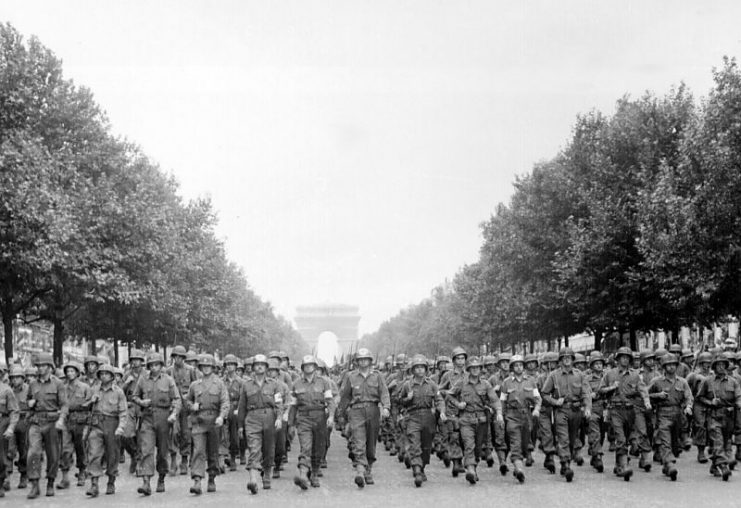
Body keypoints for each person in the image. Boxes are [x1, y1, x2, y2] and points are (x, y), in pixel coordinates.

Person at [338, 348, 390, 488]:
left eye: (365, 359)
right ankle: (360, 471)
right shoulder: (351, 376)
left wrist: (386, 407)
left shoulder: (377, 376)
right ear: (357, 362)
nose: (363, 362)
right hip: (356, 411)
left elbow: (384, 392)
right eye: (360, 359)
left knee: (371, 444)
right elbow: (345, 396)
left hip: (373, 410)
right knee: (358, 441)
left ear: (370, 361)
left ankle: (368, 469)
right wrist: (341, 414)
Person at [447, 356, 502, 485]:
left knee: (477, 448)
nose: (475, 370)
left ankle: (473, 467)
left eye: (477, 367)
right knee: (468, 444)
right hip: (466, 420)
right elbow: (449, 395)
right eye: (473, 368)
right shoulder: (461, 383)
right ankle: (470, 469)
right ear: (469, 369)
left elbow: (494, 400)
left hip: (481, 421)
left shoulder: (486, 384)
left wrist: (499, 412)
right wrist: (458, 404)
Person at [132, 352, 181, 495]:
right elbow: (134, 396)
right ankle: (146, 482)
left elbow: (177, 399)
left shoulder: (168, 380)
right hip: (147, 417)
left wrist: (173, 414)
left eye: (157, 365)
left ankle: (161, 478)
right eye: (151, 365)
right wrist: (141, 402)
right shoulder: (143, 379)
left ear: (161, 366)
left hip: (164, 418)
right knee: (146, 449)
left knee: (162, 452)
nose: (154, 368)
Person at [599, 347, 651, 481]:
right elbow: (601, 390)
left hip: (630, 410)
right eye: (622, 357)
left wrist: (646, 401)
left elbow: (642, 389)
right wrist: (612, 387)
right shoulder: (610, 374)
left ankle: (618, 463)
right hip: (615, 410)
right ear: (617, 359)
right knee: (620, 438)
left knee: (627, 438)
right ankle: (624, 465)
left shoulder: (635, 375)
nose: (625, 359)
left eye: (627, 358)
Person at [540, 347, 592, 482]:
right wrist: (555, 401)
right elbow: (544, 393)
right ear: (560, 360)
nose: (567, 359)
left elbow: (586, 393)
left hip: (576, 411)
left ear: (573, 359)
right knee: (563, 438)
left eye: (569, 357)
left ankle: (565, 460)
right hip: (561, 410)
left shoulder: (580, 375)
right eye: (564, 357)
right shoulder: (554, 376)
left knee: (572, 438)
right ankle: (566, 464)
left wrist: (587, 408)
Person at [287, 355, 336, 489]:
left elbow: (330, 401)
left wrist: (331, 416)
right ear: (302, 368)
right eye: (306, 365)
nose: (309, 367)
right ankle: (303, 474)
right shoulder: (296, 383)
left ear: (315, 367)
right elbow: (293, 405)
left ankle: (313, 473)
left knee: (318, 448)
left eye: (311, 365)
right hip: (303, 418)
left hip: (320, 418)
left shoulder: (324, 382)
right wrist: (290, 424)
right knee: (306, 447)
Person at [237, 354, 283, 494]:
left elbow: (279, 404)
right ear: (253, 368)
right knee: (253, 448)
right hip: (252, 418)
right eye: (257, 364)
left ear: (267, 368)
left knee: (269, 449)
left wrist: (279, 418)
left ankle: (267, 474)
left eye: (262, 364)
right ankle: (253, 479)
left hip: (269, 416)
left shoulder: (275, 384)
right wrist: (240, 425)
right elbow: (241, 406)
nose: (259, 366)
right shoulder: (246, 385)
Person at [397, 354, 445, 487]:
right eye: (416, 367)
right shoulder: (407, 385)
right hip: (413, 417)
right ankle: (417, 469)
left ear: (426, 369)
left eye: (422, 367)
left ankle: (422, 466)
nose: (419, 370)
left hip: (428, 417)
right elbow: (400, 402)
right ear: (413, 370)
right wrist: (408, 398)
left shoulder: (432, 384)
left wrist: (441, 411)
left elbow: (439, 399)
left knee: (426, 446)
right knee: (414, 444)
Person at [185, 354, 229, 495]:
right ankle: (197, 480)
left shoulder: (219, 384)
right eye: (203, 366)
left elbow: (225, 402)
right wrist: (193, 407)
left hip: (214, 422)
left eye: (208, 366)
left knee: (213, 452)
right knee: (198, 450)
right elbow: (187, 402)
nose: (206, 368)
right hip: (199, 422)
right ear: (200, 368)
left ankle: (211, 477)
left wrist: (222, 416)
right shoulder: (195, 385)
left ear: (213, 368)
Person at [26, 352, 68, 499]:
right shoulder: (32, 384)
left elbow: (64, 405)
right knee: (33, 453)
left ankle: (50, 482)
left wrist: (61, 420)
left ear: (50, 367)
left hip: (52, 422)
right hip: (36, 422)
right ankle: (35, 485)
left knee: (53, 454)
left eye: (44, 365)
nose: (40, 368)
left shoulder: (58, 384)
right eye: (38, 366)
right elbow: (28, 402)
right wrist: (30, 404)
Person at [695, 352, 741, 481]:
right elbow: (699, 398)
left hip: (729, 416)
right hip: (714, 416)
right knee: (717, 441)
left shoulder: (733, 382)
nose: (721, 367)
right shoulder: (707, 381)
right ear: (714, 367)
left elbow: (738, 396)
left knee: (726, 442)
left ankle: (715, 465)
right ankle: (723, 465)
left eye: (723, 365)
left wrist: (738, 404)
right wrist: (710, 402)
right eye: (718, 365)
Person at [647, 353, 693, 481]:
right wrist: (657, 395)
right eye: (668, 365)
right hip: (663, 413)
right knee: (665, 440)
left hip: (678, 414)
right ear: (663, 367)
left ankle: (667, 464)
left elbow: (689, 396)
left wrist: (688, 406)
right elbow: (645, 394)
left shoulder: (682, 382)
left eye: (673, 365)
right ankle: (669, 463)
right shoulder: (656, 382)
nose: (671, 367)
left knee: (674, 444)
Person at [85, 364, 127, 497]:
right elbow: (84, 406)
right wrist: (91, 401)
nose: (103, 376)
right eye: (101, 374)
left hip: (112, 424)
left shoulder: (118, 391)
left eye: (106, 374)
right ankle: (94, 484)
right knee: (94, 453)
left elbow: (123, 411)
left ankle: (111, 481)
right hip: (97, 423)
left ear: (112, 376)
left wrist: (121, 427)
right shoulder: (94, 389)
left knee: (112, 454)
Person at [499, 354, 541, 483]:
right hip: (512, 416)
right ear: (512, 367)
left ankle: (518, 463)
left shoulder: (531, 381)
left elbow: (538, 399)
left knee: (524, 444)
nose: (519, 367)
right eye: (516, 365)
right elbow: (502, 402)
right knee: (515, 442)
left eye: (520, 365)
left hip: (526, 416)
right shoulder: (506, 383)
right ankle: (519, 469)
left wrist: (536, 409)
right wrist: (500, 416)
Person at [59, 361, 92, 489]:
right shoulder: (62, 387)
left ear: (77, 373)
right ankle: (65, 477)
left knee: (81, 448)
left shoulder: (84, 387)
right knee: (65, 449)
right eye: (68, 371)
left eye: (72, 371)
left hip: (81, 420)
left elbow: (90, 403)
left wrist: (85, 406)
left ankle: (82, 472)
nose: (70, 373)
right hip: (67, 420)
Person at [167, 345, 199, 475]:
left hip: (187, 408)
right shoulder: (168, 371)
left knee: (186, 434)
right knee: (173, 433)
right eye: (176, 357)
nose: (178, 359)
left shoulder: (191, 370)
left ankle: (184, 460)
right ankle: (173, 459)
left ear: (184, 358)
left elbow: (197, 387)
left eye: (180, 357)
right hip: (174, 406)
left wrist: (193, 402)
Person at [438, 347, 467, 476]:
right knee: (454, 436)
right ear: (454, 361)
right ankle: (456, 462)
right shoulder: (447, 375)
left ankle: (461, 460)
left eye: (463, 358)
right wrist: (443, 408)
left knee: (465, 437)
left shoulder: (469, 375)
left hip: (467, 411)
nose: (461, 361)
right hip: (452, 411)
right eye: (458, 358)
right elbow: (439, 392)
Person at [7, 365, 29, 489]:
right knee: (9, 451)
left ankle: (23, 475)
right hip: (11, 422)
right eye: (13, 378)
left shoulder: (29, 390)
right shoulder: (7, 390)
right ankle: (7, 477)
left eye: (17, 377)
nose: (15, 380)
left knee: (24, 451)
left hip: (24, 422)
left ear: (23, 378)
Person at [222, 354, 245, 472]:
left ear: (236, 366)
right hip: (225, 409)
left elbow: (243, 398)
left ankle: (232, 457)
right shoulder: (221, 381)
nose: (230, 367)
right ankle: (224, 457)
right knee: (223, 435)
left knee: (235, 437)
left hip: (236, 410)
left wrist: (239, 410)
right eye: (228, 364)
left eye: (232, 364)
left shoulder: (241, 382)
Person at [0, 369, 19, 498]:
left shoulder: (6, 390)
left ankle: (0, 482)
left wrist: (11, 428)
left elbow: (14, 411)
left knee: (1, 456)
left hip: (1, 422)